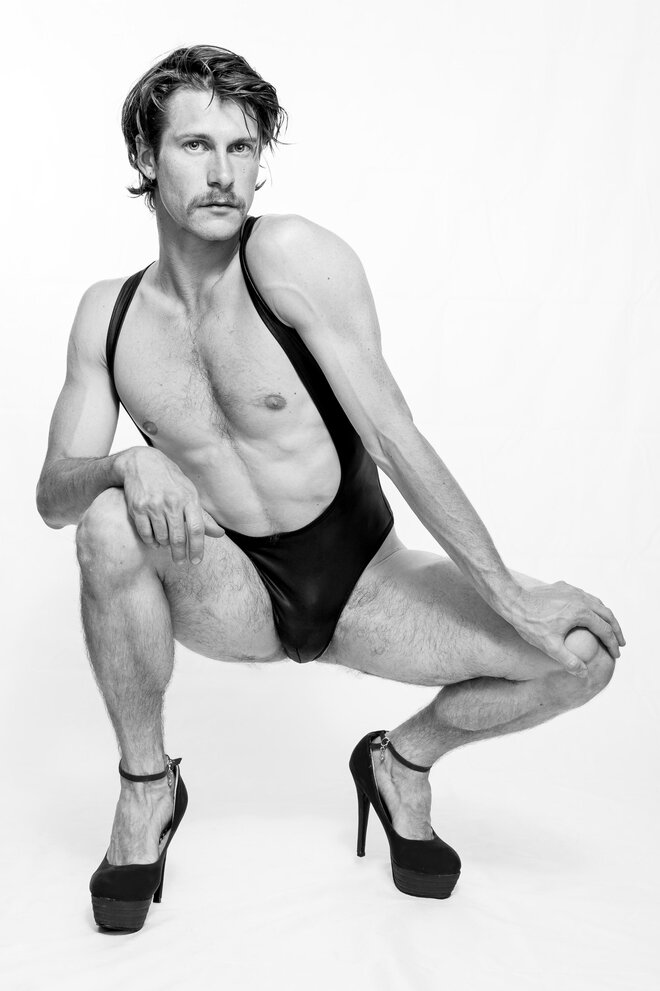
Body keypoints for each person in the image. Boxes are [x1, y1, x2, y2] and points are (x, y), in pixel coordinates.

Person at [36, 44, 625, 932]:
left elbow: (394, 437)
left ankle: (401, 763)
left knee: (581, 655)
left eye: (242, 147)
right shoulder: (108, 317)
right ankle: (146, 789)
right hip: (229, 588)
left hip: (364, 580)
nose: (224, 173)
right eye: (196, 145)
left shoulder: (289, 257)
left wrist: (512, 595)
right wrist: (124, 461)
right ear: (146, 158)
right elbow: (54, 497)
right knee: (108, 521)